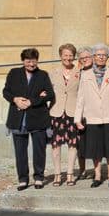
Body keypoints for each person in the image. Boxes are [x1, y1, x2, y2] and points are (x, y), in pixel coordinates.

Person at [3, 48, 55, 191]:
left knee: (39, 150)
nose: (31, 64)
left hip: (38, 118)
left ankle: (38, 177)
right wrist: (15, 99)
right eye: (28, 61)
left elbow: (50, 94)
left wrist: (32, 101)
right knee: (20, 151)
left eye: (34, 61)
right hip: (18, 118)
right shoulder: (14, 73)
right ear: (23, 61)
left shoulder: (43, 75)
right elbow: (6, 91)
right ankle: (23, 179)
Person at [74, 45, 109, 188]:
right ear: (93, 57)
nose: (101, 57)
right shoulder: (85, 75)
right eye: (98, 55)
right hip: (92, 117)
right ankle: (97, 176)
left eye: (104, 55)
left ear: (107, 57)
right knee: (95, 149)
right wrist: (77, 119)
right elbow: (80, 98)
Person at [47, 44, 80, 186]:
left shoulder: (80, 72)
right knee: (56, 145)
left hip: (73, 112)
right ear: (61, 56)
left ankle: (70, 173)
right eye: (65, 55)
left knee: (73, 144)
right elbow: (46, 91)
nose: (68, 58)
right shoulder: (52, 73)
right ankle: (57, 174)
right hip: (56, 112)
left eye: (70, 55)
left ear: (74, 56)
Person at [75, 47, 93, 179]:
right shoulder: (77, 73)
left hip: (93, 111)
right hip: (78, 111)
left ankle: (96, 169)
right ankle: (82, 169)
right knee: (79, 143)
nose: (85, 59)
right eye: (82, 58)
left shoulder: (97, 71)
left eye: (87, 57)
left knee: (94, 142)